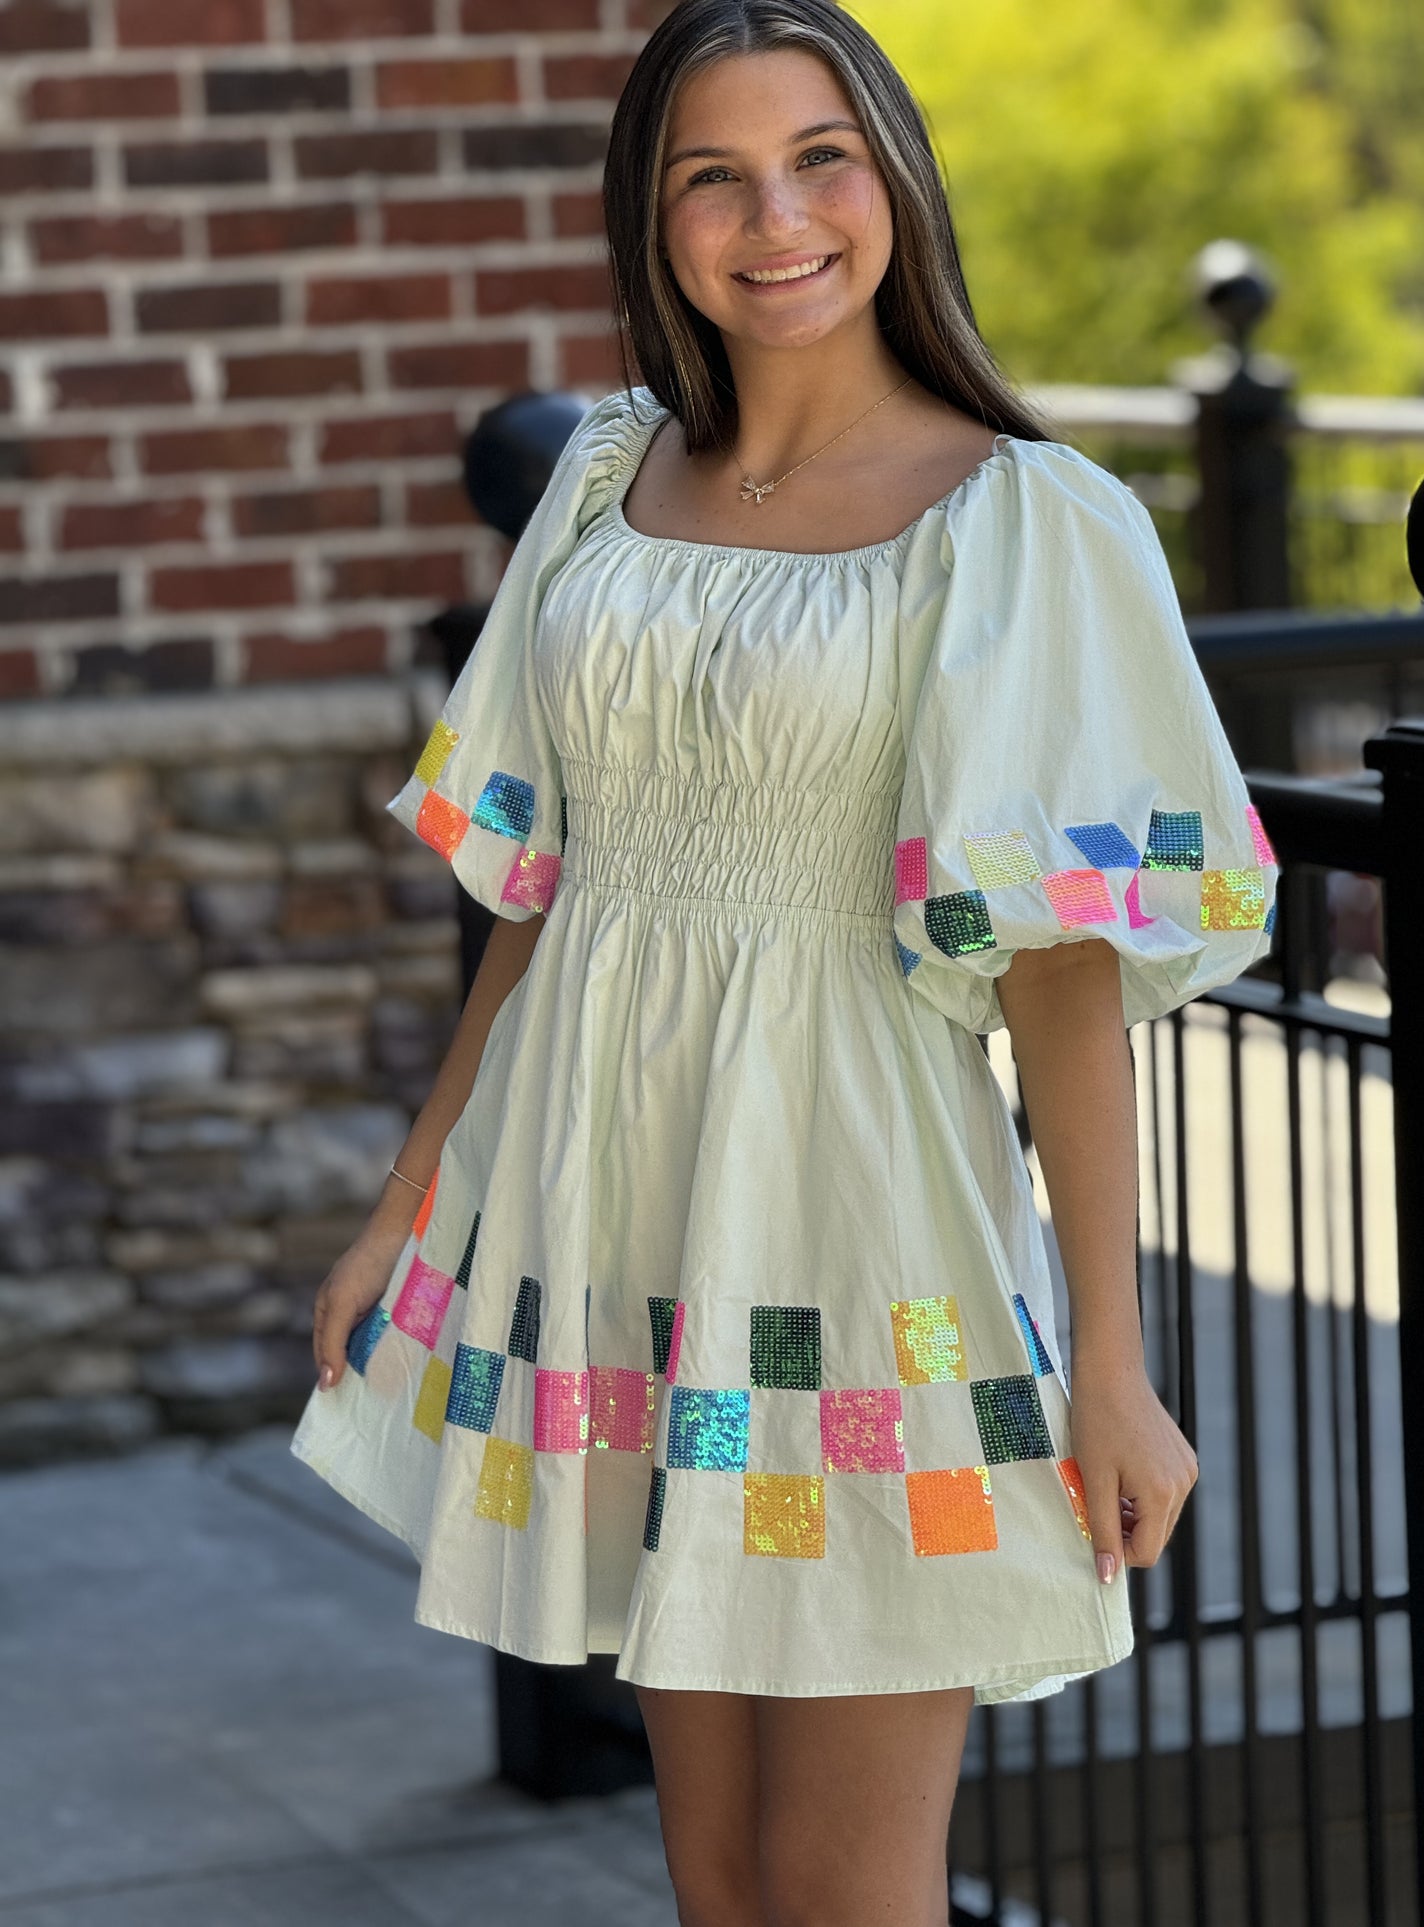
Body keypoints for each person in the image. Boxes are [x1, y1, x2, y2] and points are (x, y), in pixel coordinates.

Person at [292, 1, 1278, 1920]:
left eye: (820, 156)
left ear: (893, 175)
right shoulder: (602, 481)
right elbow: (535, 900)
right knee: (720, 1878)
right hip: (619, 1217)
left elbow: (1062, 970)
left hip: (855, 1211)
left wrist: (1111, 1365)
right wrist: (408, 1205)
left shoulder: (1023, 524)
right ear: (650, 222)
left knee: (845, 1886)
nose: (776, 219)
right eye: (712, 176)